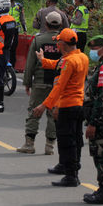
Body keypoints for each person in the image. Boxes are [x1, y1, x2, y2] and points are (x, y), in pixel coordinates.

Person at [33, 28, 89, 187]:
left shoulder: (68, 61)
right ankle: (69, 166)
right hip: (78, 104)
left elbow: (59, 87)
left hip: (67, 105)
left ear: (63, 44)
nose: (57, 44)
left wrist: (44, 105)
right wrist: (43, 60)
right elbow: (57, 65)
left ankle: (71, 175)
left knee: (67, 141)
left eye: (58, 42)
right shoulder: (82, 57)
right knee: (75, 139)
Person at [17, 12, 62, 155]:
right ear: (60, 25)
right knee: (53, 114)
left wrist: (27, 83)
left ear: (46, 24)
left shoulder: (38, 40)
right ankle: (50, 146)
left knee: (34, 112)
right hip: (57, 84)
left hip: (40, 82)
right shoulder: (64, 42)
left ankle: (29, 144)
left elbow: (30, 64)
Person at [82, 35, 103, 204]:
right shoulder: (102, 66)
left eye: (95, 49)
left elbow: (102, 99)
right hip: (102, 116)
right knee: (100, 153)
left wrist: (93, 123)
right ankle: (102, 188)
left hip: (101, 118)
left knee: (102, 154)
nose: (92, 52)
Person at [7, 0, 27, 67]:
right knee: (5, 48)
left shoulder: (19, 6)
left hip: (15, 30)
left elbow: (22, 18)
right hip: (6, 29)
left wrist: (25, 29)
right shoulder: (4, 5)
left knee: (13, 48)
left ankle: (12, 66)